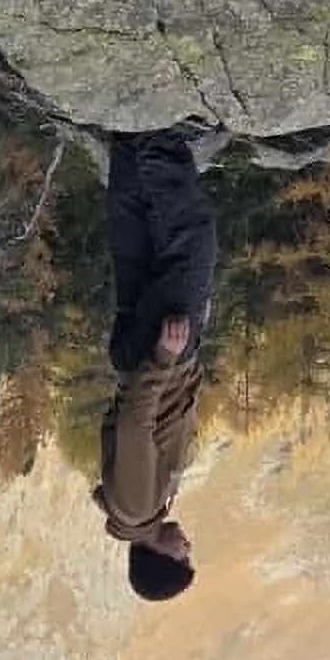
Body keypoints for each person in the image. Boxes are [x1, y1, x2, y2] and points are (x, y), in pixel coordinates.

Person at [93, 130, 218, 601]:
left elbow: (135, 425)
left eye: (182, 556)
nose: (187, 546)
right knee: (139, 249)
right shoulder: (143, 511)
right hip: (142, 360)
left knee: (193, 243)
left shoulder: (137, 506)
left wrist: (166, 358)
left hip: (155, 358)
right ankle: (127, 141)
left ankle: (154, 132)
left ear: (159, 557)